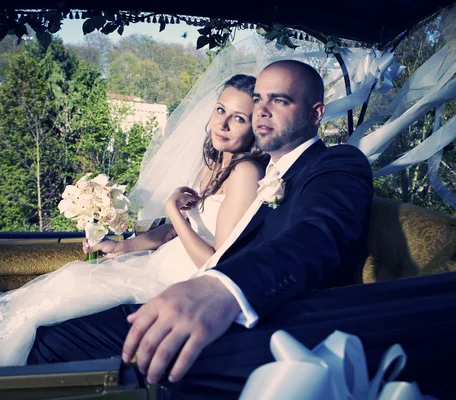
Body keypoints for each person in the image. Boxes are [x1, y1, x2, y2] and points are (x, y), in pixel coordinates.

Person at [25, 60, 375, 397]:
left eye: (279, 100)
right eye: (258, 99)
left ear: (316, 113)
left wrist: (224, 288)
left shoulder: (337, 163)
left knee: (53, 342)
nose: (261, 111)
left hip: (258, 319)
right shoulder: (264, 169)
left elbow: (318, 233)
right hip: (198, 296)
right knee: (48, 331)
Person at [0, 74, 269, 372]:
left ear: (257, 126)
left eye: (239, 118)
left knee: (50, 316)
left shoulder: (244, 174)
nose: (223, 124)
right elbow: (181, 230)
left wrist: (171, 212)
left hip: (180, 286)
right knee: (54, 292)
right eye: (220, 110)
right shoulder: (218, 162)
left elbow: (217, 259)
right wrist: (125, 247)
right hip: (157, 264)